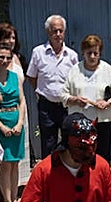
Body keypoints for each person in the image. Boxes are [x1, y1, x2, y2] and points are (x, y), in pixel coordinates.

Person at [61, 35, 111, 161]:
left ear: (100, 53)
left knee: (102, 157)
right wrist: (75, 100)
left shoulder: (108, 70)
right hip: (79, 124)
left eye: (95, 53)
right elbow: (63, 95)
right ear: (83, 53)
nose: (92, 57)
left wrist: (108, 102)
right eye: (89, 53)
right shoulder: (74, 70)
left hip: (102, 122)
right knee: (81, 156)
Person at [26, 15, 79, 159]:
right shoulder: (38, 53)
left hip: (66, 107)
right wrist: (43, 92)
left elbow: (76, 81)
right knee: (48, 144)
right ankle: (49, 176)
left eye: (61, 31)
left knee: (70, 142)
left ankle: (68, 175)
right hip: (46, 107)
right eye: (55, 31)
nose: (58, 35)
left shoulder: (72, 56)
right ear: (48, 32)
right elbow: (32, 77)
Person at [0, 43, 26, 202]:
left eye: (8, 58)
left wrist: (20, 123)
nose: (4, 61)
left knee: (15, 163)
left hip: (16, 122)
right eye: (1, 57)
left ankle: (15, 198)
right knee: (4, 164)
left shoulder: (15, 77)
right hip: (0, 123)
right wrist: (1, 127)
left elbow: (22, 100)